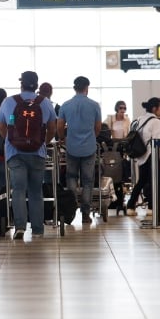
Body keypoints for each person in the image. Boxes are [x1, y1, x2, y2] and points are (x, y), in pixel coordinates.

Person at [0, 71, 57, 239]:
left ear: (21, 84)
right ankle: (38, 230)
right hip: (37, 153)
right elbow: (52, 128)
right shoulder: (45, 103)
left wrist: (11, 141)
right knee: (36, 191)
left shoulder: (9, 102)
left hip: (15, 153)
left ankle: (20, 227)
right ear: (36, 85)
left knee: (18, 190)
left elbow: (2, 125)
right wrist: (42, 142)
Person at [56, 76, 102, 224]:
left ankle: (70, 211)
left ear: (74, 88)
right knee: (88, 181)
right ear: (86, 88)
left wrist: (63, 138)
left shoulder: (66, 105)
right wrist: (91, 137)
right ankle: (85, 214)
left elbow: (59, 125)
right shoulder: (94, 105)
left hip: (71, 147)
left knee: (71, 178)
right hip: (89, 147)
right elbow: (98, 127)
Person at [126, 97, 160, 216]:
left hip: (141, 155)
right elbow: (158, 141)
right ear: (154, 108)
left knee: (142, 181)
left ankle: (130, 206)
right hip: (152, 155)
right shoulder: (155, 121)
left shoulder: (139, 119)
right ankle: (151, 208)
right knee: (155, 181)